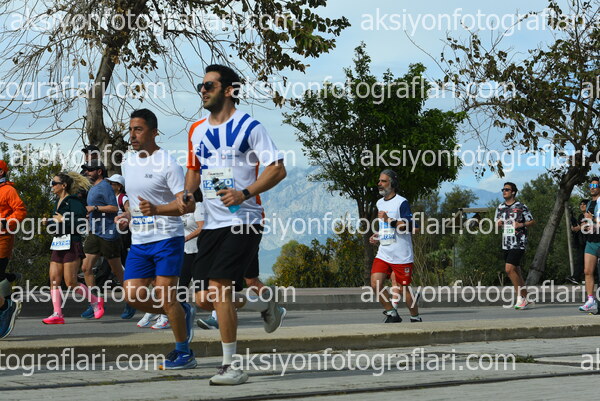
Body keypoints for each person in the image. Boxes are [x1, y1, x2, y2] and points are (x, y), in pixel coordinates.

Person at [180, 64, 286, 385]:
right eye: (201, 86)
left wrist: (244, 193)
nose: (202, 90)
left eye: (209, 85)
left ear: (228, 90)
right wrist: (188, 193)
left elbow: (277, 169)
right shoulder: (196, 130)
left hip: (244, 220)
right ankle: (265, 302)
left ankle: (231, 366)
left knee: (219, 288)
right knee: (203, 299)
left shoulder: (249, 126)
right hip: (211, 223)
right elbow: (194, 169)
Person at [117, 108, 196, 369]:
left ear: (153, 132)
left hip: (167, 238)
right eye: (130, 130)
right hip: (140, 241)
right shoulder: (127, 163)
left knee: (166, 297)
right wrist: (127, 215)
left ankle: (184, 352)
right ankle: (181, 312)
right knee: (132, 296)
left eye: (138, 130)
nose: (132, 135)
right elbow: (136, 203)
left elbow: (187, 206)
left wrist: (157, 210)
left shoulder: (168, 164)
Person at [369, 169, 421, 323]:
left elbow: (410, 227)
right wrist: (378, 235)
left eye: (383, 181)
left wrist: (389, 219)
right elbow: (385, 227)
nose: (379, 184)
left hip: (401, 255)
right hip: (384, 252)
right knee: (375, 283)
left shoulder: (401, 202)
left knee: (404, 289)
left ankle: (415, 317)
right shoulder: (379, 203)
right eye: (379, 181)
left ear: (392, 184)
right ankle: (392, 313)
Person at [41, 172, 93, 324]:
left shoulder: (74, 201)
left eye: (54, 183)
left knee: (70, 282)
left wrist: (63, 219)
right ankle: (57, 313)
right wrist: (49, 222)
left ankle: (95, 300)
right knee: (54, 279)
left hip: (71, 243)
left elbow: (80, 223)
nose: (52, 186)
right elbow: (58, 224)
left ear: (63, 185)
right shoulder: (57, 202)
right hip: (58, 242)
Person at [79, 160, 126, 320]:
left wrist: (95, 208)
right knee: (86, 267)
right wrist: (89, 213)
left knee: (117, 271)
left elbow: (114, 208)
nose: (87, 172)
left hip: (108, 233)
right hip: (95, 233)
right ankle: (95, 302)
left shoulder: (105, 186)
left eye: (90, 170)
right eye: (86, 170)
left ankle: (131, 300)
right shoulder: (93, 188)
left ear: (99, 171)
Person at [495, 182, 535, 310]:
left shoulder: (521, 206)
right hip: (506, 243)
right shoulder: (500, 207)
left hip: (519, 242)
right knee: (516, 271)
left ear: (513, 192)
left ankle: (520, 298)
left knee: (509, 269)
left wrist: (521, 225)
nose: (504, 191)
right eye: (503, 189)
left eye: (507, 189)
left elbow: (532, 221)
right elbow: (496, 223)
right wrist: (498, 224)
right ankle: (527, 298)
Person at [0, 160, 26, 338]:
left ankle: (6, 307)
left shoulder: (8, 190)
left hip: (2, 239)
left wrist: (6, 223)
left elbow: (21, 210)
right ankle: (8, 280)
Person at [107, 174, 136, 319]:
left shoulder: (122, 198)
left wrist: (123, 216)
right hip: (112, 234)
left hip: (124, 235)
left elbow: (129, 211)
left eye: (112, 184)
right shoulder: (109, 198)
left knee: (124, 266)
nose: (110, 186)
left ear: (119, 186)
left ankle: (131, 301)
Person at [579, 178, 600, 312]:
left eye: (595, 185)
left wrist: (592, 220)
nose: (592, 187)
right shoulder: (589, 204)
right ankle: (591, 300)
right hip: (591, 241)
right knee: (587, 271)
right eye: (590, 185)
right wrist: (585, 225)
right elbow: (586, 222)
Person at [567, 199, 588, 284]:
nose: (582, 206)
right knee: (580, 260)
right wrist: (575, 228)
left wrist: (578, 228)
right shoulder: (580, 216)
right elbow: (579, 227)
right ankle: (576, 277)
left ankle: (576, 277)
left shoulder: (590, 215)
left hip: (589, 241)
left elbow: (586, 226)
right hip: (581, 241)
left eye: (584, 204)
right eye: (581, 204)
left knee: (584, 260)